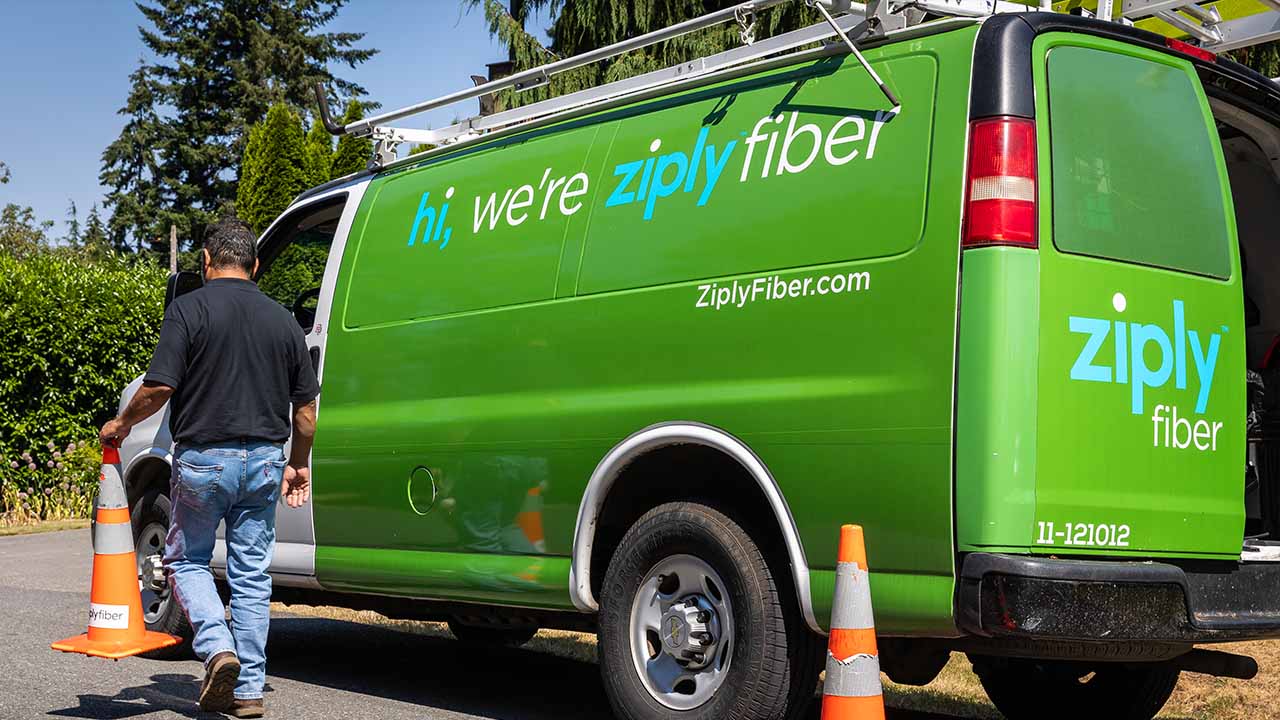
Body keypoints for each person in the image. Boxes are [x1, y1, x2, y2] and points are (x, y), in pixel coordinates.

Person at [99, 216, 319, 719]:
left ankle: (218, 648)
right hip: (265, 462)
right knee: (251, 576)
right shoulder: (284, 320)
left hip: (204, 462)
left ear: (205, 261)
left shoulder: (188, 308)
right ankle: (250, 690)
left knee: (186, 560)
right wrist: (299, 464)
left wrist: (120, 422)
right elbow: (306, 414)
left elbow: (157, 388)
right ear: (255, 265)